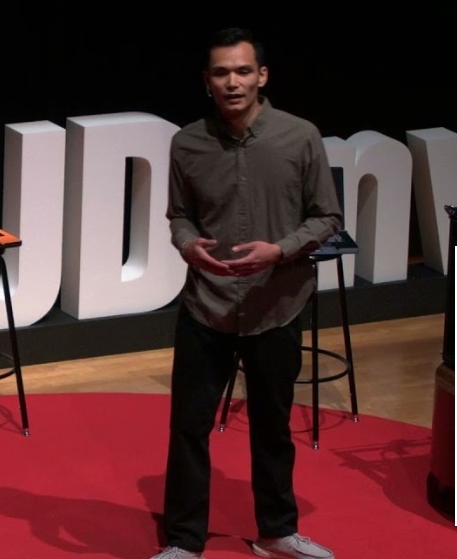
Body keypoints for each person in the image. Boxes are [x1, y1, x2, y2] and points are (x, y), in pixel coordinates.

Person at [154, 28, 342, 559]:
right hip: (206, 305)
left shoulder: (300, 136)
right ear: (206, 81)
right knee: (189, 427)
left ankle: (277, 532)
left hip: (276, 304)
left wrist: (279, 250)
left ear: (262, 76)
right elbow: (179, 216)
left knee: (272, 427)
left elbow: (327, 216)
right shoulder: (187, 142)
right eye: (221, 73)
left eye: (242, 71)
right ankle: (184, 541)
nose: (232, 82)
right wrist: (187, 244)